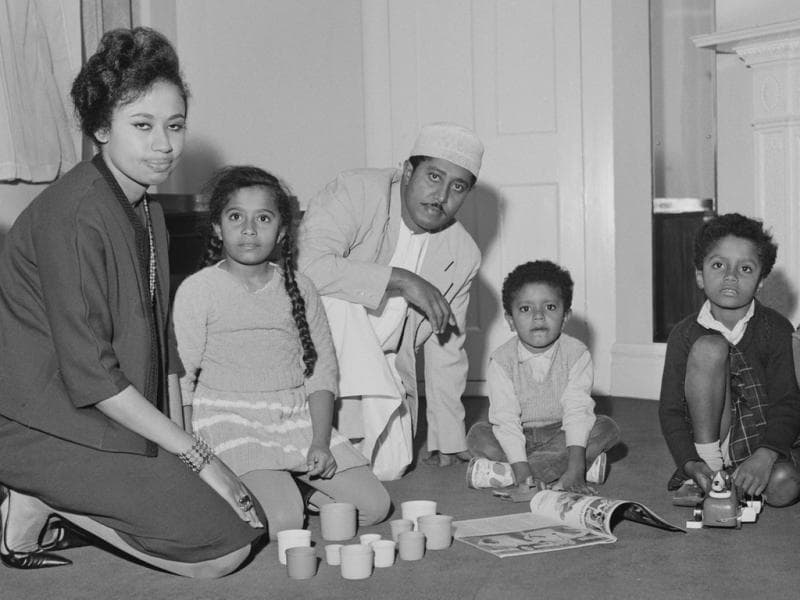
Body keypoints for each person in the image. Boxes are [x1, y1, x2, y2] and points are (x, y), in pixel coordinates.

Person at [0, 27, 265, 577]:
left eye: (174, 126)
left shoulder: (147, 207)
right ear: (100, 127)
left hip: (100, 412)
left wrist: (187, 445)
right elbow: (92, 376)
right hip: (37, 422)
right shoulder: (73, 215)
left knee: (256, 520)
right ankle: (35, 491)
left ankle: (38, 501)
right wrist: (200, 458)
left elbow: (158, 342)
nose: (164, 145)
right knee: (222, 552)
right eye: (141, 126)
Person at [173, 166, 390, 538]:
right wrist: (191, 459)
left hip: (293, 418)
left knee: (374, 508)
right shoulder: (199, 289)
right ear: (216, 227)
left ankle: (297, 487)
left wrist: (320, 441)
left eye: (263, 218)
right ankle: (267, 490)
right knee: (284, 522)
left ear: (283, 231)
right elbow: (185, 381)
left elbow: (320, 372)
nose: (249, 229)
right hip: (229, 418)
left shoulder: (299, 287)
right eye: (236, 217)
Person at [297, 122, 484, 478]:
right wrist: (401, 279)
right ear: (409, 170)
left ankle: (344, 440)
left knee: (390, 467)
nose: (441, 196)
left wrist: (447, 436)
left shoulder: (463, 253)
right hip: (319, 348)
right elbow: (305, 266)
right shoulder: (357, 190)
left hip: (382, 363)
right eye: (433, 177)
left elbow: (447, 346)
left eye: (457, 187)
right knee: (339, 303)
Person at [659, 213, 800, 507]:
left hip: (759, 437)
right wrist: (690, 463)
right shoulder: (683, 335)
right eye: (718, 265)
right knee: (709, 347)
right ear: (700, 274)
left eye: (745, 268)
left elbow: (787, 402)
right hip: (707, 440)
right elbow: (671, 410)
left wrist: (767, 454)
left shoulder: (774, 329)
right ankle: (709, 471)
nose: (731, 276)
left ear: (761, 280)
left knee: (784, 486)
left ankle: (740, 476)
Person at [466, 260, 621, 495]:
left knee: (606, 427)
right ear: (510, 320)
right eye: (525, 309)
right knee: (477, 435)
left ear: (566, 315)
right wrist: (522, 466)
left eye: (549, 307)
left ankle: (521, 474)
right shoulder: (501, 360)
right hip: (519, 434)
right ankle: (561, 471)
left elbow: (577, 411)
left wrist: (574, 460)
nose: (538, 317)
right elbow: (506, 420)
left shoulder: (576, 353)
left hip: (563, 433)